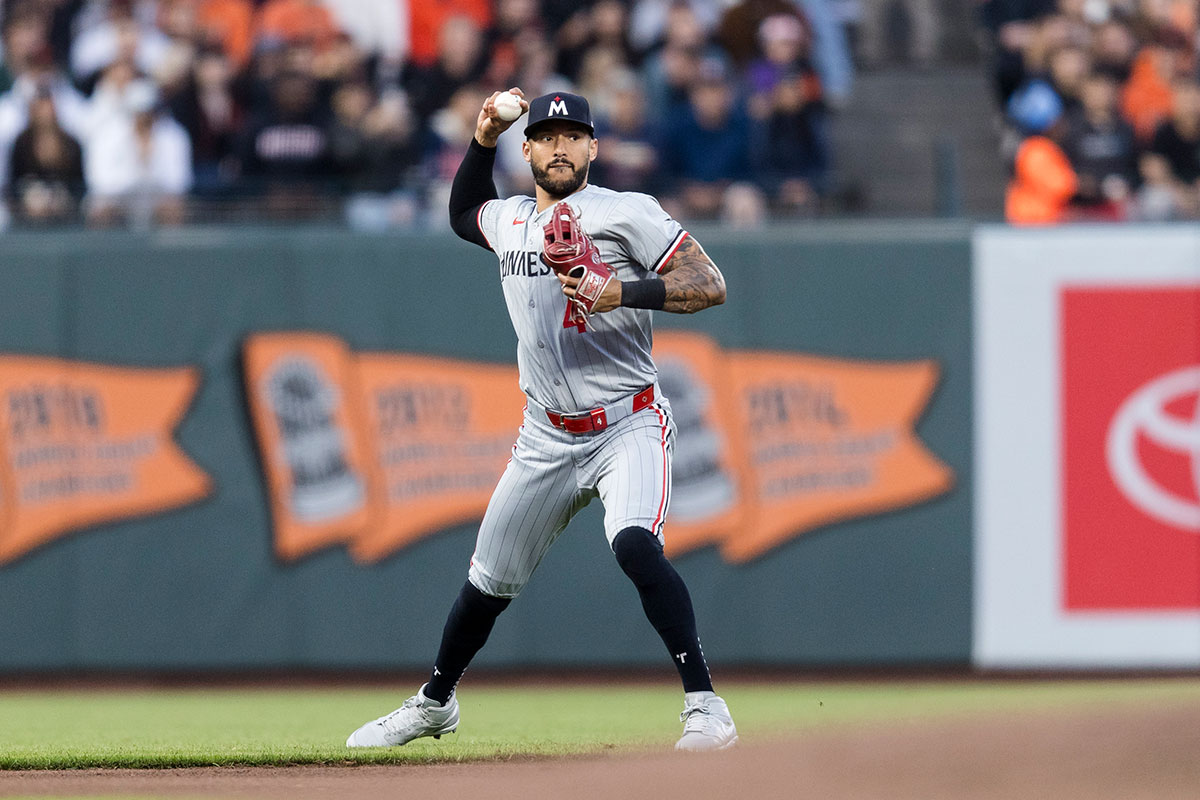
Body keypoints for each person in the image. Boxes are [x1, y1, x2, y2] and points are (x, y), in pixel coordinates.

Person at [345, 88, 737, 752]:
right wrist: (481, 135)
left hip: (628, 422)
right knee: (487, 582)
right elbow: (464, 209)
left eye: (573, 134)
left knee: (636, 543)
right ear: (526, 149)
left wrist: (624, 290)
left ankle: (706, 707)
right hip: (547, 435)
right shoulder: (513, 219)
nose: (560, 145)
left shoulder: (626, 212)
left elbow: (710, 283)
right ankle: (435, 703)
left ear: (591, 147)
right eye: (547, 135)